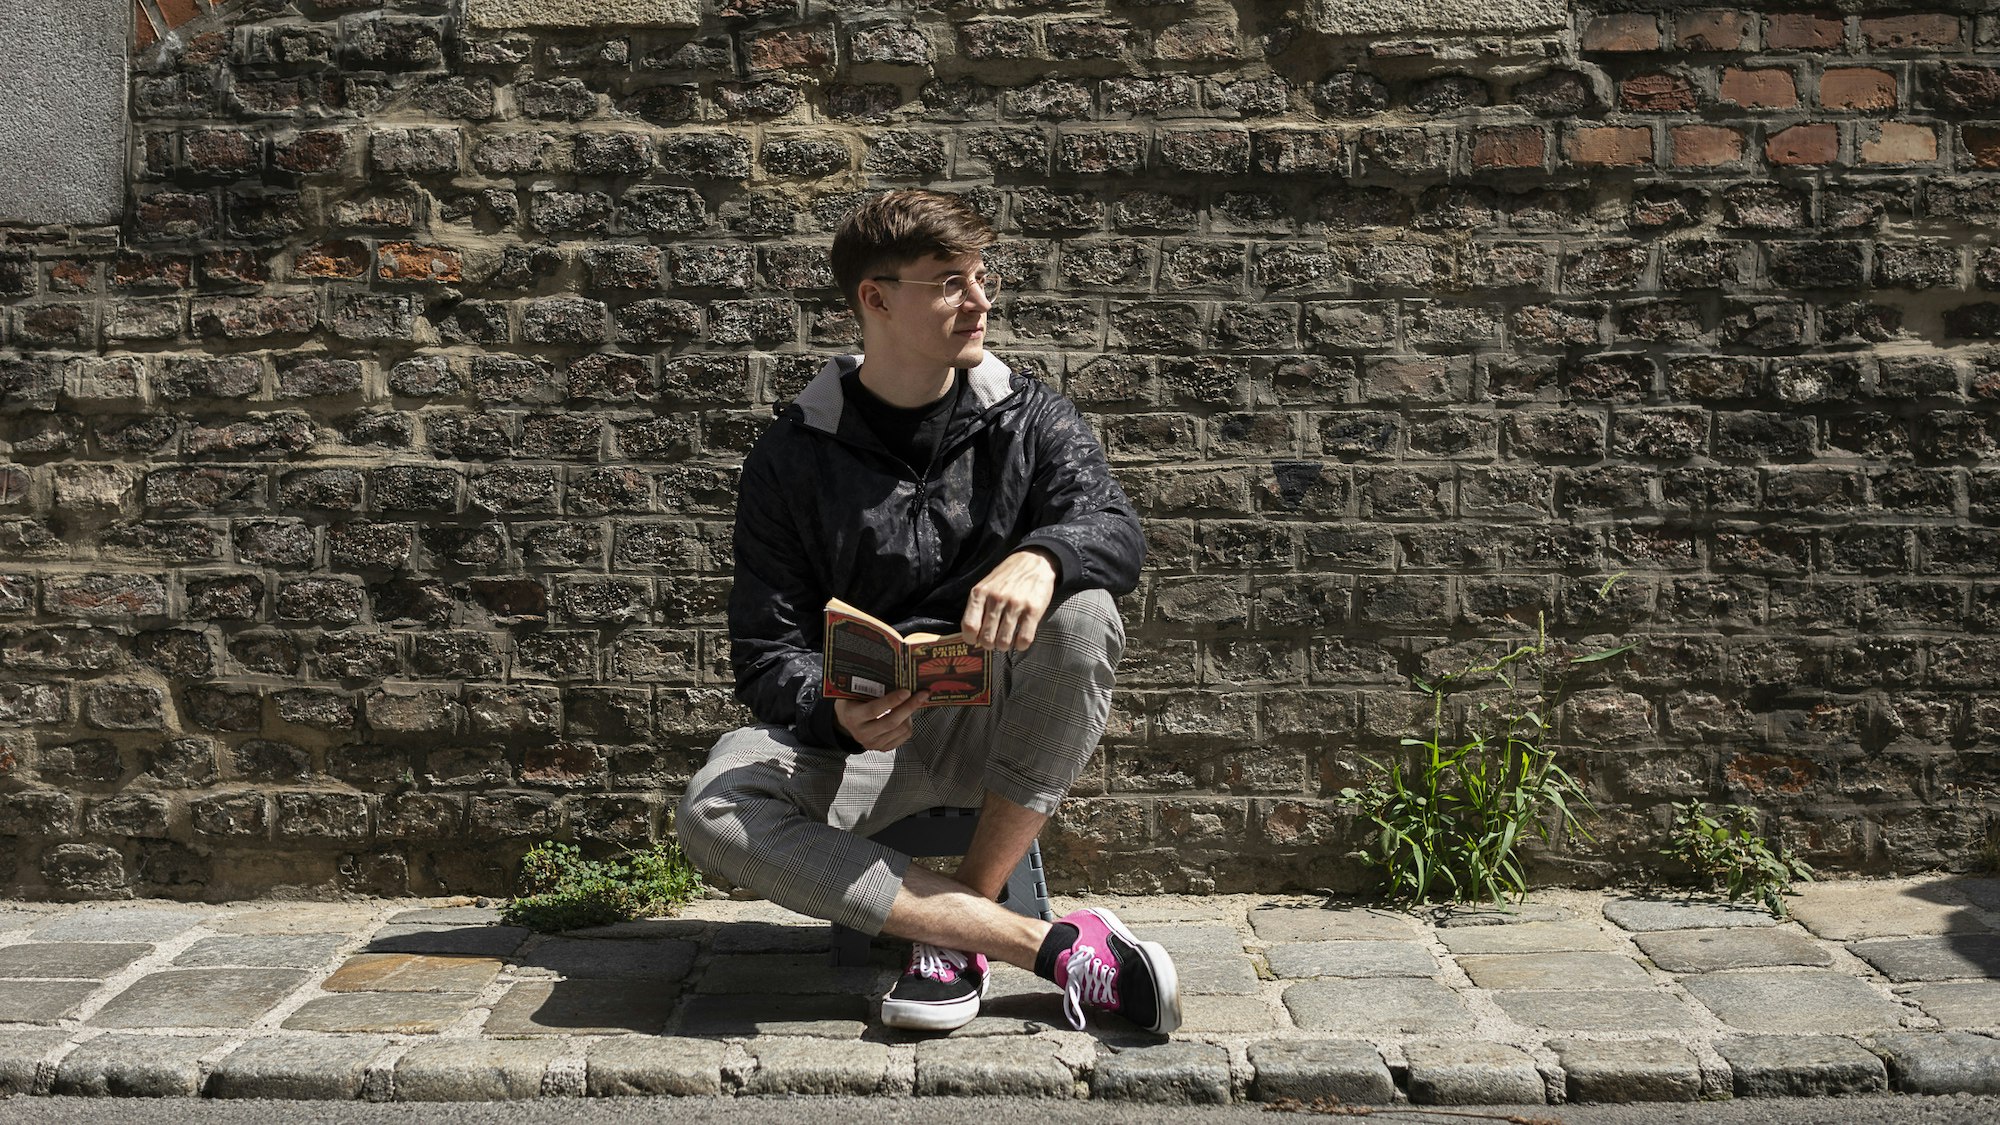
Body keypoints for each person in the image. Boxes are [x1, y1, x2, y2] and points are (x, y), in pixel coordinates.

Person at [675, 189, 1181, 1035]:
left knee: (1085, 610)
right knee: (713, 809)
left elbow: (1117, 533)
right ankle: (1035, 942)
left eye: (980, 277)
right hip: (858, 745)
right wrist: (833, 712)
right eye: (949, 282)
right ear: (875, 299)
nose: (980, 301)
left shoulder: (1030, 417)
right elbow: (766, 649)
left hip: (997, 726)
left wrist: (1045, 554)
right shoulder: (792, 454)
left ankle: (958, 926)